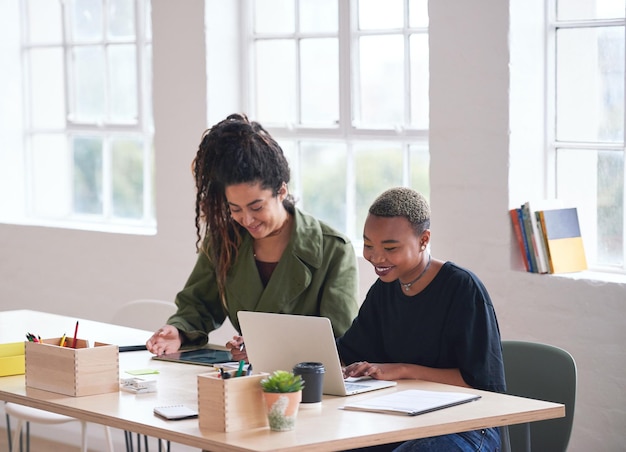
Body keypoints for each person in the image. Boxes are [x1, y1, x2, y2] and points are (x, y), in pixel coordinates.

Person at [146, 113, 359, 359]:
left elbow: (339, 339)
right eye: (235, 209)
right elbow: (199, 306)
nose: (246, 220)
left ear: (281, 191)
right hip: (244, 377)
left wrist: (270, 347)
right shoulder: (225, 241)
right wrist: (178, 330)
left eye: (257, 207)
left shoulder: (334, 250)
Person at [337, 187, 505, 452]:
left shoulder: (463, 289)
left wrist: (404, 370)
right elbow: (347, 352)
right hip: (402, 420)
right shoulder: (385, 289)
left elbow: (481, 385)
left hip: (466, 425)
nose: (376, 257)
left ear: (424, 240)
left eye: (390, 247)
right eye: (368, 245)